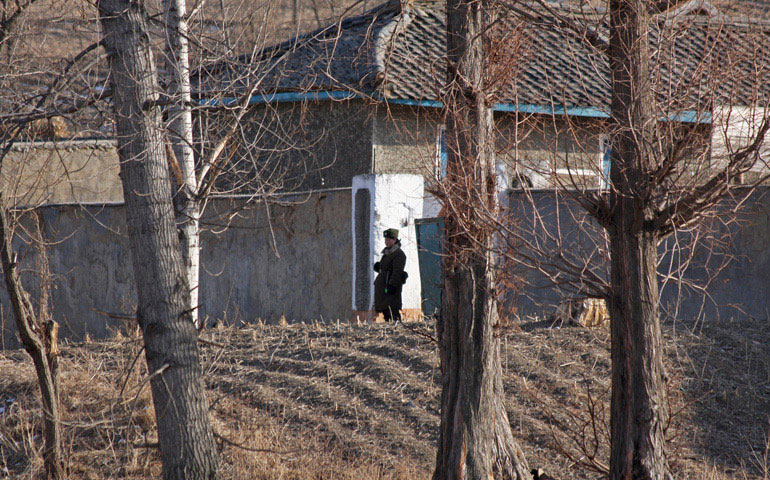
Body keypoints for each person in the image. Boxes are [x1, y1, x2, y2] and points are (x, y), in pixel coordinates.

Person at [373, 228, 407, 322]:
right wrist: (379, 267)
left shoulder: (398, 254)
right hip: (383, 287)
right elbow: (387, 268)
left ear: (395, 239)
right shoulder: (388, 252)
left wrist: (392, 285)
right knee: (385, 310)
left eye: (389, 240)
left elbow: (397, 271)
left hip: (390, 287)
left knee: (392, 310)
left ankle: (396, 327)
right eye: (386, 240)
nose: (386, 242)